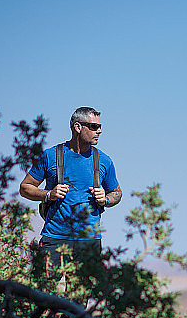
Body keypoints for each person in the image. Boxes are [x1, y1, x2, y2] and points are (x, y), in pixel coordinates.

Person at [20, 106, 122, 276]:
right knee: (44, 293)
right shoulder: (51, 155)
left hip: (89, 242)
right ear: (77, 127)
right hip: (54, 238)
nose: (100, 131)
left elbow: (117, 193)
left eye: (100, 126)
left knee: (80, 300)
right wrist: (48, 194)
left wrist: (106, 199)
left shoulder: (104, 160)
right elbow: (25, 187)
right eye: (94, 127)